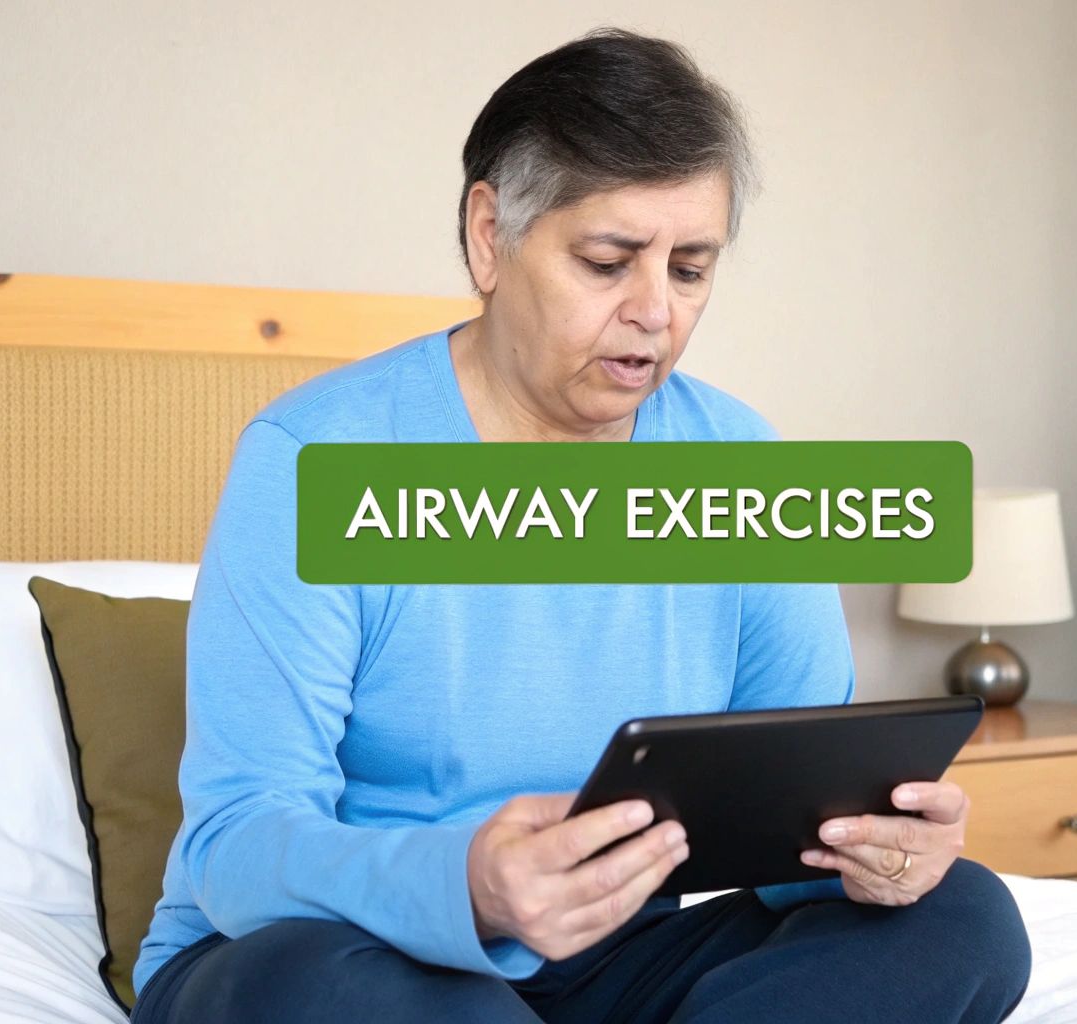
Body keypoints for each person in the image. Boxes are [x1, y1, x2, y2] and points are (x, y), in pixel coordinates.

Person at [130, 27, 1031, 1023]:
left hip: (619, 953)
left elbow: (789, 843)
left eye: (689, 268)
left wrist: (878, 855)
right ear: (489, 236)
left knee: (965, 917)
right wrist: (466, 884)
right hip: (353, 949)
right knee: (332, 988)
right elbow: (236, 843)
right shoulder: (314, 460)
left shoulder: (740, 463)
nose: (655, 311)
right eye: (609, 261)